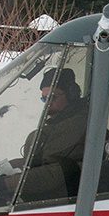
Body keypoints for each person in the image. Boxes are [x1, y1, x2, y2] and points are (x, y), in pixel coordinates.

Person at [14, 68, 88, 201]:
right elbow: (33, 163)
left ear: (71, 95)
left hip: (65, 197)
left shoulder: (77, 124)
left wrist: (3, 184)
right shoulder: (57, 123)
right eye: (44, 99)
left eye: (52, 97)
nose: (48, 104)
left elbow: (46, 167)